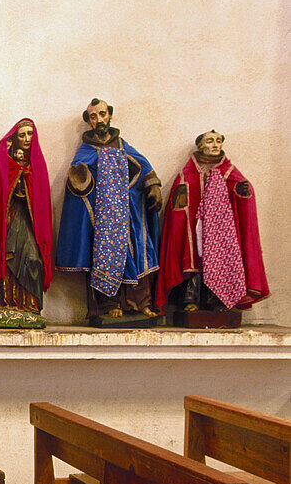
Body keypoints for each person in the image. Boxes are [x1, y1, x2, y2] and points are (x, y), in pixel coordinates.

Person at [56, 98, 162, 322]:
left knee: (137, 252)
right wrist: (80, 178)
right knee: (103, 256)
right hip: (103, 217)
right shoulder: (85, 149)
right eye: (93, 116)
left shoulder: (122, 145)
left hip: (126, 211)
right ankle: (108, 305)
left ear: (110, 115)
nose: (99, 120)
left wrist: (153, 185)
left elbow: (143, 166)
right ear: (89, 121)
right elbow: (78, 180)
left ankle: (138, 303)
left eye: (102, 114)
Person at [156, 130, 268, 312]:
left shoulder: (229, 171)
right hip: (194, 228)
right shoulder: (187, 174)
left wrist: (243, 191)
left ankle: (216, 301)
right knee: (193, 264)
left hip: (220, 231)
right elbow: (176, 209)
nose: (215, 145)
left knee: (219, 262)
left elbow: (243, 194)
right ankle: (190, 300)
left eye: (218, 141)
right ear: (200, 146)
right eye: (210, 141)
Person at [0, 118, 54, 328]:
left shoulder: (38, 165)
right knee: (3, 259)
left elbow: (42, 202)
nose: (26, 139)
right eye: (21, 135)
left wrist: (26, 178)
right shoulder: (1, 163)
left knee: (33, 259)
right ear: (14, 138)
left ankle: (30, 305)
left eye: (29, 134)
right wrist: (13, 175)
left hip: (28, 222)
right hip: (6, 220)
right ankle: (2, 304)